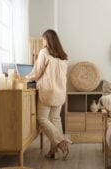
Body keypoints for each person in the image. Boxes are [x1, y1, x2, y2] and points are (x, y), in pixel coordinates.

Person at [26, 29, 70, 160]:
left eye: (43, 39)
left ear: (47, 40)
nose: (42, 41)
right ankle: (53, 151)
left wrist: (26, 77)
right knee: (55, 119)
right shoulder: (63, 56)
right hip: (60, 92)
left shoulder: (44, 52)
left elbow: (37, 72)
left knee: (42, 119)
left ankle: (61, 141)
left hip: (48, 91)